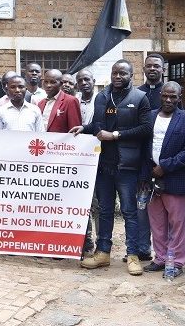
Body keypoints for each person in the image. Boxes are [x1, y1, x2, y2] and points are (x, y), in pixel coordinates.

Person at [71, 59, 152, 276]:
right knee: (105, 210)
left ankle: (133, 255)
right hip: (103, 165)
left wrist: (115, 135)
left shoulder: (140, 98)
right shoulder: (102, 97)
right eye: (115, 73)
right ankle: (103, 252)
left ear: (131, 75)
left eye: (122, 73)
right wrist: (85, 128)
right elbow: (99, 126)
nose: (118, 76)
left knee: (129, 212)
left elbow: (146, 129)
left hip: (127, 166)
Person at [140, 82, 185, 278]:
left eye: (173, 97)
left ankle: (176, 262)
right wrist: (146, 174)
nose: (168, 100)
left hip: (175, 179)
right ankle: (161, 258)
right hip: (152, 179)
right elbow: (143, 147)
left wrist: (165, 166)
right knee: (157, 223)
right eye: (165, 96)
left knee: (178, 224)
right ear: (160, 96)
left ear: (180, 98)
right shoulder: (149, 116)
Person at [134, 53, 166, 264]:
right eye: (149, 66)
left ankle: (164, 252)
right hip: (142, 159)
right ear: (144, 69)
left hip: (164, 163)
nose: (152, 69)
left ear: (163, 69)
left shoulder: (170, 93)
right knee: (142, 207)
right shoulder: (136, 94)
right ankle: (143, 248)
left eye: (156, 66)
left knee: (164, 209)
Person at [75, 68, 99, 257]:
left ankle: (102, 242)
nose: (84, 83)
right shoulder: (73, 101)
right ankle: (85, 240)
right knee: (81, 201)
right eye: (80, 80)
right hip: (76, 158)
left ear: (94, 81)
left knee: (98, 202)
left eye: (87, 79)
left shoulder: (102, 99)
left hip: (98, 157)